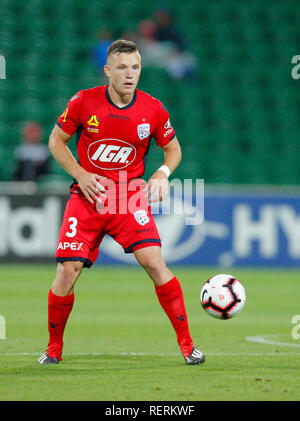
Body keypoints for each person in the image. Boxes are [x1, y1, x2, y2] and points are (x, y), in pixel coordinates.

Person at [38, 39, 205, 366]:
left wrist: (160, 174)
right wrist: (81, 174)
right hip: (88, 197)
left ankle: (188, 345)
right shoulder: (83, 102)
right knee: (67, 270)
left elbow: (174, 150)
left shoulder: (153, 109)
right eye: (123, 67)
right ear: (108, 71)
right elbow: (56, 141)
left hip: (128, 198)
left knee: (155, 264)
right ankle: (53, 348)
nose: (130, 74)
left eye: (136, 67)